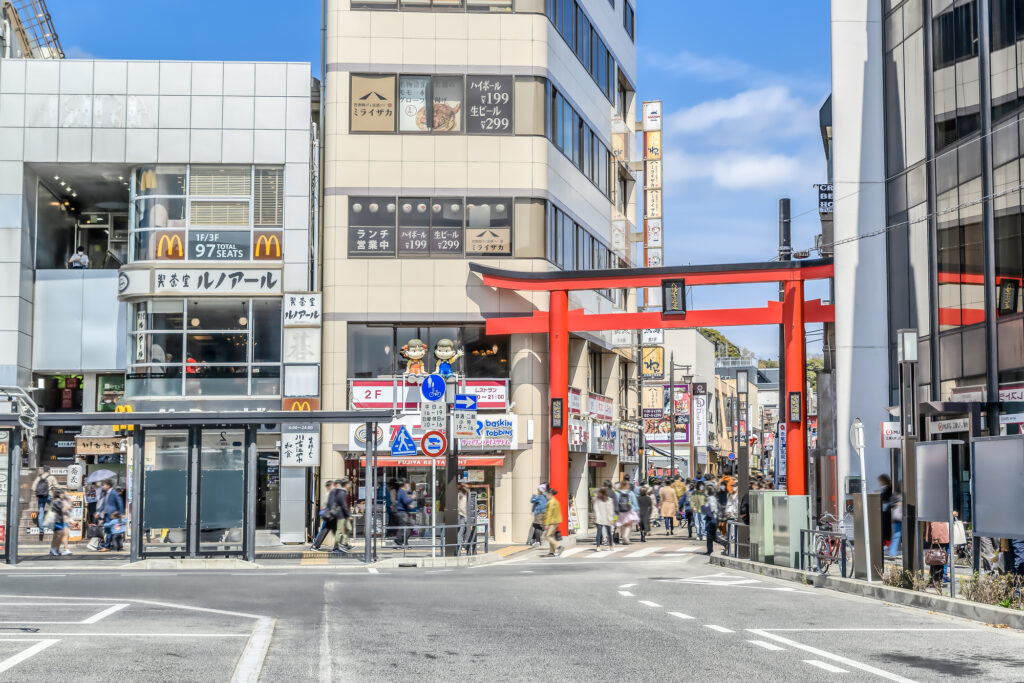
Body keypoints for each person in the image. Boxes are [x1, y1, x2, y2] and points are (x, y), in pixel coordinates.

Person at [96, 480, 124, 551]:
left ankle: (107, 546)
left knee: (110, 530)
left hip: (112, 515)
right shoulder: (106, 493)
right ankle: (116, 544)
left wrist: (121, 514)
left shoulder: (114, 493)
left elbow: (120, 502)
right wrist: (98, 512)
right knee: (110, 530)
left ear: (108, 485)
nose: (103, 486)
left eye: (104, 485)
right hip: (106, 514)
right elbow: (103, 504)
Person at [31, 468, 56, 538]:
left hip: (41, 496)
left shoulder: (39, 477)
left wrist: (38, 492)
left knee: (41, 512)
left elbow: (33, 487)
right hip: (49, 495)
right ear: (48, 470)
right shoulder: (51, 477)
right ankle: (54, 526)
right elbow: (57, 486)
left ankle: (41, 530)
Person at [311, 480, 336, 551]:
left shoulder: (330, 493)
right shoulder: (329, 494)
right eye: (332, 485)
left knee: (327, 530)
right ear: (329, 486)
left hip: (330, 515)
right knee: (324, 530)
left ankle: (315, 546)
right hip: (329, 516)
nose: (333, 486)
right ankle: (315, 546)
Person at [924, 519, 950, 585]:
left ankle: (932, 581)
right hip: (939, 536)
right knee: (938, 559)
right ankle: (936, 581)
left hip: (937, 535)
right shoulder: (937, 509)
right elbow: (936, 522)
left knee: (935, 559)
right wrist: (936, 537)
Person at [332, 478, 353, 553]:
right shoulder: (341, 492)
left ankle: (343, 544)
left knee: (349, 528)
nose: (350, 485)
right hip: (341, 514)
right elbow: (343, 505)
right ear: (346, 485)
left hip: (344, 514)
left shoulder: (343, 492)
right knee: (339, 531)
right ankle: (336, 547)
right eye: (349, 484)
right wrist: (348, 514)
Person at [393, 479, 416, 547]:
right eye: (407, 484)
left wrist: (409, 506)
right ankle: (399, 541)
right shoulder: (402, 491)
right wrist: (412, 497)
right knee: (403, 527)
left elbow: (403, 502)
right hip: (402, 513)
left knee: (410, 525)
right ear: (404, 484)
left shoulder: (402, 491)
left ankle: (404, 541)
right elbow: (405, 501)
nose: (408, 485)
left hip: (405, 511)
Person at [541, 487, 564, 557]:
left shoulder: (551, 502)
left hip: (552, 522)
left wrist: (546, 523)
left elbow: (549, 513)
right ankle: (551, 552)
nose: (546, 496)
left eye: (547, 494)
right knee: (551, 536)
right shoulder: (556, 501)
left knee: (547, 536)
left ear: (550, 494)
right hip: (555, 521)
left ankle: (559, 546)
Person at [48, 489, 71, 556]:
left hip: (57, 521)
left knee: (56, 536)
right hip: (57, 521)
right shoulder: (57, 502)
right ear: (59, 495)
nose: (63, 495)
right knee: (59, 536)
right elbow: (63, 509)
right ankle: (54, 549)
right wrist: (67, 503)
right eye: (62, 494)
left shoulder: (55, 501)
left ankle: (54, 549)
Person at [702, 485, 721, 555]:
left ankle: (725, 544)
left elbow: (712, 509)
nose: (705, 491)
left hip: (712, 518)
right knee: (709, 536)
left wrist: (705, 509)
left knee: (712, 535)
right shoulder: (709, 498)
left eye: (706, 490)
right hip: (709, 517)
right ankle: (709, 550)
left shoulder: (711, 498)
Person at [878, 474, 893, 552]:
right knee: (885, 527)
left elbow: (885, 498)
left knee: (886, 528)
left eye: (880, 480)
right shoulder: (886, 488)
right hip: (885, 510)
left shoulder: (889, 488)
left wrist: (880, 495)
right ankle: (886, 543)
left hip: (888, 510)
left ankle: (887, 544)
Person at [888, 485, 903, 558]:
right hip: (898, 518)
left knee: (897, 536)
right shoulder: (896, 494)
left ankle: (893, 553)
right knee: (896, 536)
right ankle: (892, 553)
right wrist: (897, 503)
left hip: (903, 517)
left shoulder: (902, 494)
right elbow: (890, 504)